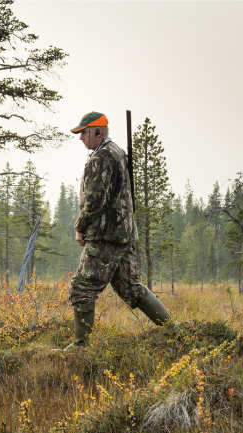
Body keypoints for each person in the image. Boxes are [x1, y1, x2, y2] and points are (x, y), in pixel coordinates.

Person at [58, 111, 170, 351]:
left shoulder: (102, 157)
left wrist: (81, 227)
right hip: (124, 234)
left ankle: (80, 348)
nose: (80, 138)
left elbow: (95, 200)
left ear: (98, 132)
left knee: (82, 287)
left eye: (84, 133)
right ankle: (176, 334)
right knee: (131, 287)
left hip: (106, 235)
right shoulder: (116, 152)